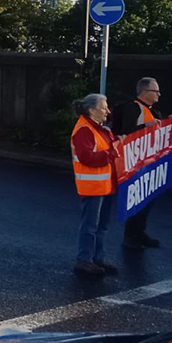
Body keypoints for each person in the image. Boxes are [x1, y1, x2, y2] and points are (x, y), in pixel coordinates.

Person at [113, 77, 172, 251]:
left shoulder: (151, 111)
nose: (159, 94)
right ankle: (130, 237)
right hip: (135, 165)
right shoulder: (133, 108)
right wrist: (146, 126)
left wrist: (170, 120)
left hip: (148, 163)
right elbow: (126, 133)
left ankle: (140, 232)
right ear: (144, 92)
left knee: (147, 200)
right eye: (155, 91)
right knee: (136, 199)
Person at [70, 93, 120, 276]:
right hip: (93, 186)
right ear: (92, 110)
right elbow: (87, 157)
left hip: (103, 185)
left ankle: (96, 258)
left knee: (100, 225)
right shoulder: (85, 130)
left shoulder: (98, 128)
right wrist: (111, 153)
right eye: (104, 107)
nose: (107, 111)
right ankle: (85, 260)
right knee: (91, 225)